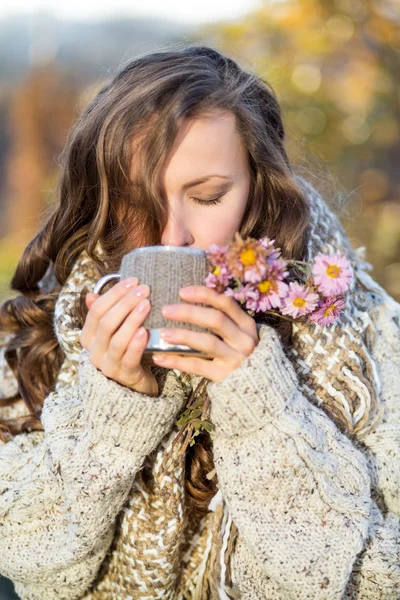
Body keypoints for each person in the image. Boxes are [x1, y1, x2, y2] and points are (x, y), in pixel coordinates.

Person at [0, 44, 399, 600]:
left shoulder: (365, 338)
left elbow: (374, 577)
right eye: (136, 200)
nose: (172, 235)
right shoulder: (44, 335)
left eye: (208, 196)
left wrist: (261, 406)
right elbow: (31, 564)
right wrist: (109, 408)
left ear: (259, 188)